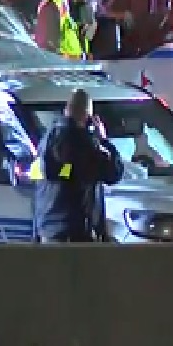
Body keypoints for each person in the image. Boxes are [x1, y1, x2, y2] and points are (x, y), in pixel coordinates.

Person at [31, 88, 124, 242]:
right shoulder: (84, 143)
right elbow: (113, 173)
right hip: (75, 232)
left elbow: (47, 176)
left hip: (47, 230)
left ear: (66, 110)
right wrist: (104, 141)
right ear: (88, 117)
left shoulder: (45, 141)